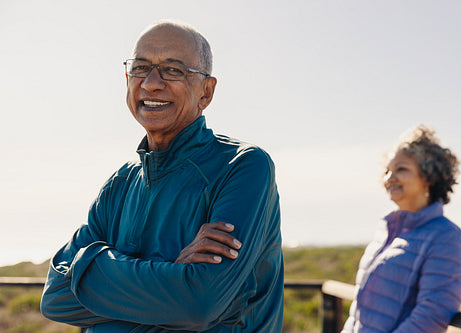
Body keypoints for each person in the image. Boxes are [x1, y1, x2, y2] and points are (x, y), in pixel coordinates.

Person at [40, 20, 284, 332]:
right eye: (141, 67)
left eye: (173, 70)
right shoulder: (119, 186)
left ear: (205, 92)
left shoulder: (243, 167)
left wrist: (95, 274)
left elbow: (198, 305)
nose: (152, 83)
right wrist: (172, 272)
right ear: (128, 79)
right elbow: (56, 297)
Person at [341, 125, 461, 333]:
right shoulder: (385, 232)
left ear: (429, 177)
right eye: (387, 171)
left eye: (401, 169)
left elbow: (431, 316)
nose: (389, 178)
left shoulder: (448, 239)